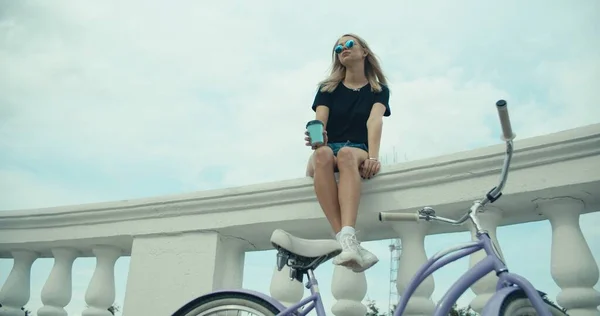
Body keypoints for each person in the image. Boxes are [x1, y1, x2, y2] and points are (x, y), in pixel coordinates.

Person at [304, 33, 391, 273]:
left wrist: (373, 157)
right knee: (322, 155)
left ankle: (348, 235)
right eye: (338, 47)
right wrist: (316, 137)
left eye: (350, 44)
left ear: (364, 52)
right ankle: (346, 241)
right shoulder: (327, 89)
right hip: (329, 149)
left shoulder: (378, 90)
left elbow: (374, 121)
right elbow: (319, 121)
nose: (344, 48)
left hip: (356, 149)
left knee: (346, 155)